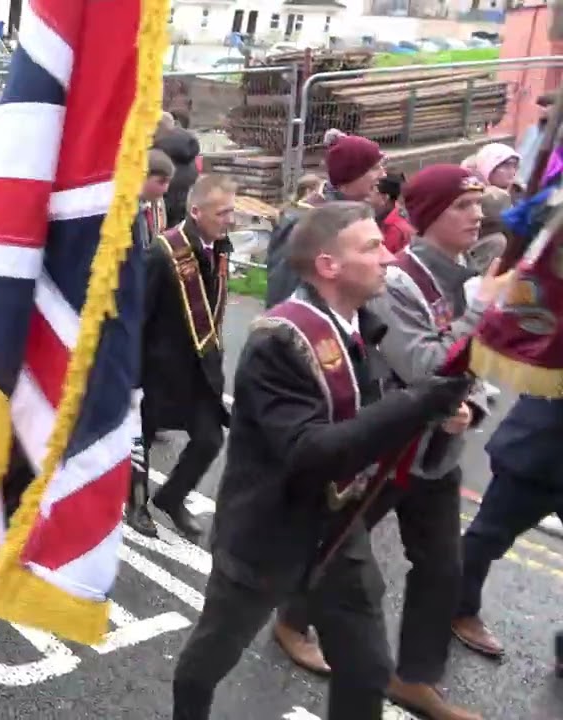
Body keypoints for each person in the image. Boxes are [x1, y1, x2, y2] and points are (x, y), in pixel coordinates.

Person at [170, 201, 474, 720]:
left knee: (368, 668)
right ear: (329, 265)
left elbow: (366, 414)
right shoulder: (279, 341)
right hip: (267, 537)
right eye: (372, 247)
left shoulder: (361, 328)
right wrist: (417, 402)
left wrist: (432, 413)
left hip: (337, 533)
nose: (389, 259)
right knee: (212, 656)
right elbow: (311, 453)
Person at [274, 165, 494, 720]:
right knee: (339, 544)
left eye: (477, 205)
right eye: (461, 207)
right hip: (388, 448)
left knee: (442, 567)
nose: (477, 216)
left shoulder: (472, 274)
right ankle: (291, 619)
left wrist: (475, 405)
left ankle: (415, 676)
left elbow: (481, 359)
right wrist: (480, 310)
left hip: (438, 454)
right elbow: (422, 364)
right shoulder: (398, 282)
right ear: (430, 216)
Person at [129, 175, 235, 538]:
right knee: (139, 438)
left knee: (209, 440)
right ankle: (136, 505)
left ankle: (172, 498)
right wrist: (131, 377)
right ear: (196, 211)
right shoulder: (162, 253)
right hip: (158, 368)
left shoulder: (221, 247)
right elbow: (138, 314)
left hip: (199, 370)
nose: (230, 220)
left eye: (231, 211)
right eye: (222, 213)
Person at [453, 396, 563, 660]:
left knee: (486, 536)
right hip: (539, 450)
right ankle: (457, 608)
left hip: (540, 446)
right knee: (488, 536)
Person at [266, 130, 386, 307]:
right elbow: (282, 291)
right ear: (353, 173)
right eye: (375, 168)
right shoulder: (305, 220)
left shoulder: (358, 212)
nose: (383, 174)